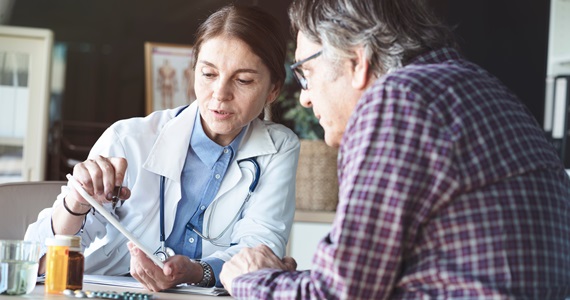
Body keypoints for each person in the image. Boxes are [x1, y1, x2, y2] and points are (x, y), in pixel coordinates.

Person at [219, 0, 570, 298]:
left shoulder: (399, 98)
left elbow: (339, 293)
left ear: (357, 61)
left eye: (306, 72)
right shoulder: (485, 90)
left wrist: (250, 279)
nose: (306, 97)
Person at [25, 4, 300, 291]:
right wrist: (76, 204)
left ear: (273, 89)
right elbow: (34, 259)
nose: (220, 94)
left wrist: (195, 272)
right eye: (208, 74)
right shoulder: (128, 139)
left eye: (243, 80)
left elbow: (258, 255)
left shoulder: (278, 148)